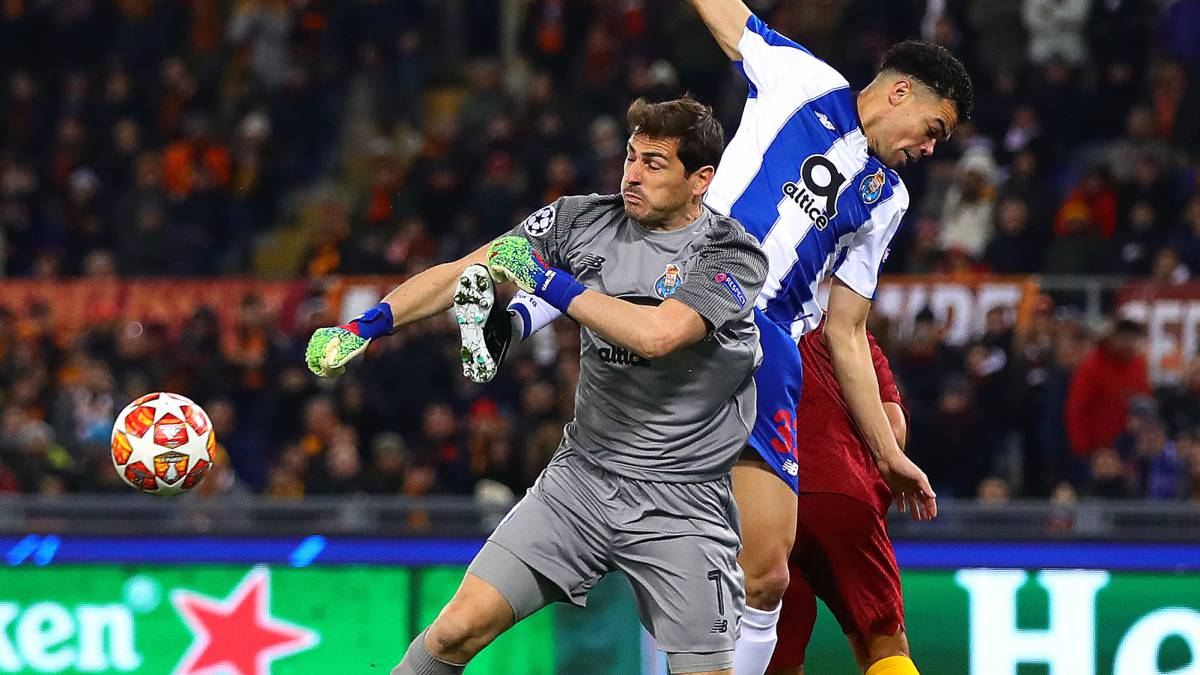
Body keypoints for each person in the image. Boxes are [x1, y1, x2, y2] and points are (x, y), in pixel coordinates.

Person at [482, 3, 973, 673]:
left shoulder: (889, 199)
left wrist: (887, 454)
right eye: (934, 129)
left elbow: (848, 332)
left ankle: (522, 315)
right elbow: (725, 12)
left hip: (766, 348)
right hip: (690, 279)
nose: (929, 149)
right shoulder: (801, 79)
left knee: (765, 573)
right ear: (898, 92)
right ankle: (509, 320)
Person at [306, 96, 769, 675]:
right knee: (454, 631)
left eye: (654, 164)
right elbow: (467, 270)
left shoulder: (731, 254)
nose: (631, 174)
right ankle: (503, 329)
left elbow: (657, 335)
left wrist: (546, 283)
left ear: (701, 179)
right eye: (629, 157)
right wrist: (365, 326)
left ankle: (508, 328)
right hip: (581, 481)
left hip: (683, 502)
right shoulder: (581, 220)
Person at [767, 324, 912, 675]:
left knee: (777, 657)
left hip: (766, 497)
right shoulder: (846, 331)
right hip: (843, 490)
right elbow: (893, 429)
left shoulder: (741, 326)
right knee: (882, 643)